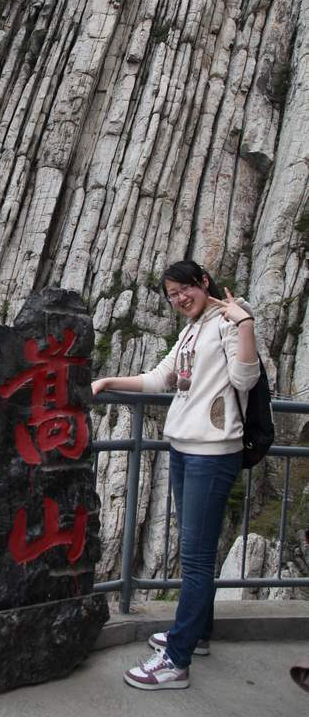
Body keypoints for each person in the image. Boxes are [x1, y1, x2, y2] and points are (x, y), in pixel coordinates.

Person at [91, 259, 260, 691]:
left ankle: (176, 661)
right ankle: (197, 634)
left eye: (184, 289)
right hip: (185, 448)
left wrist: (245, 324)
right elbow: (160, 378)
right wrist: (108, 380)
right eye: (171, 295)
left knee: (197, 558)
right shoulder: (192, 328)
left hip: (213, 452)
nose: (179, 299)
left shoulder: (224, 322)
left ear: (203, 282)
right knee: (194, 551)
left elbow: (244, 380)